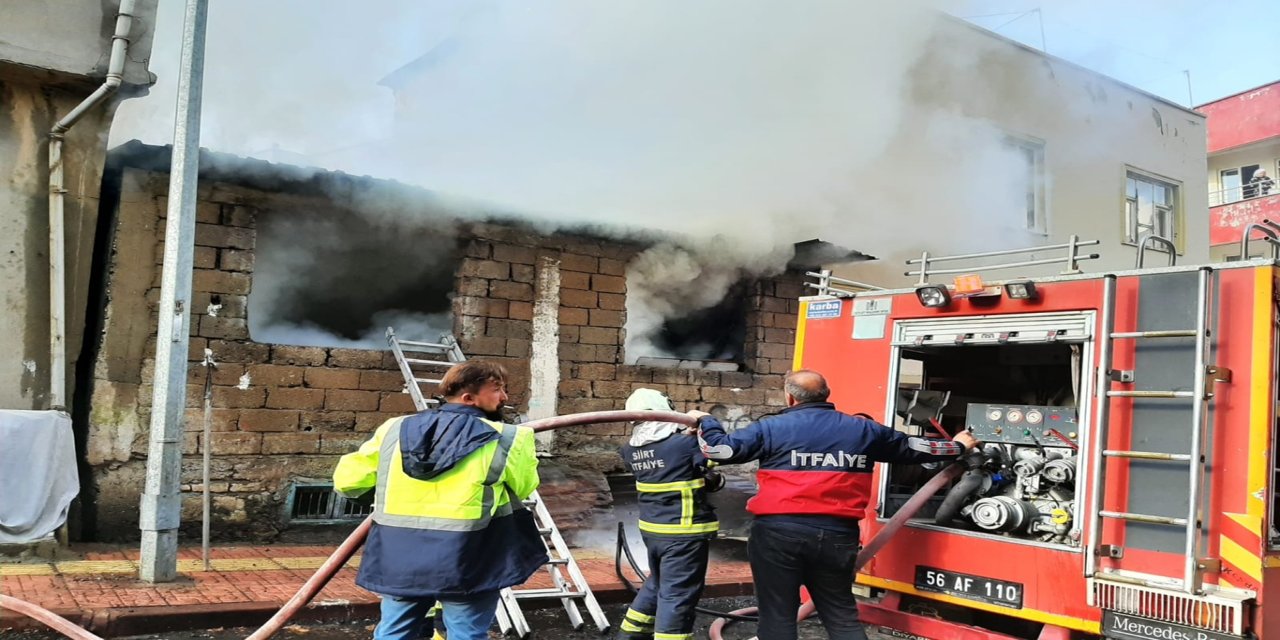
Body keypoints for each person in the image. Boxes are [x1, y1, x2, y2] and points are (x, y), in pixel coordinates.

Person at [692, 369, 979, 640]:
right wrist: (958, 446)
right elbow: (915, 448)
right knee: (841, 614)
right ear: (826, 395)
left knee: (777, 615)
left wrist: (706, 420)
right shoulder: (862, 429)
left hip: (778, 535)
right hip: (837, 536)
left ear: (790, 397)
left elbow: (719, 449)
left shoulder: (772, 427)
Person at [333, 361, 546, 640]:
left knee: (395, 632)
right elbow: (525, 485)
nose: (504, 397)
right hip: (470, 559)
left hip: (400, 557)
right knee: (466, 633)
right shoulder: (509, 438)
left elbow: (347, 482)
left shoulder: (394, 429)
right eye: (497, 390)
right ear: (469, 398)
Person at [617, 389, 725, 640]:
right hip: (683, 534)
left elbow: (665, 455)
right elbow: (718, 452)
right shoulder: (685, 445)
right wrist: (706, 420)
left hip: (654, 532)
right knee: (678, 594)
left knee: (657, 583)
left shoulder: (629, 450)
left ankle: (629, 635)